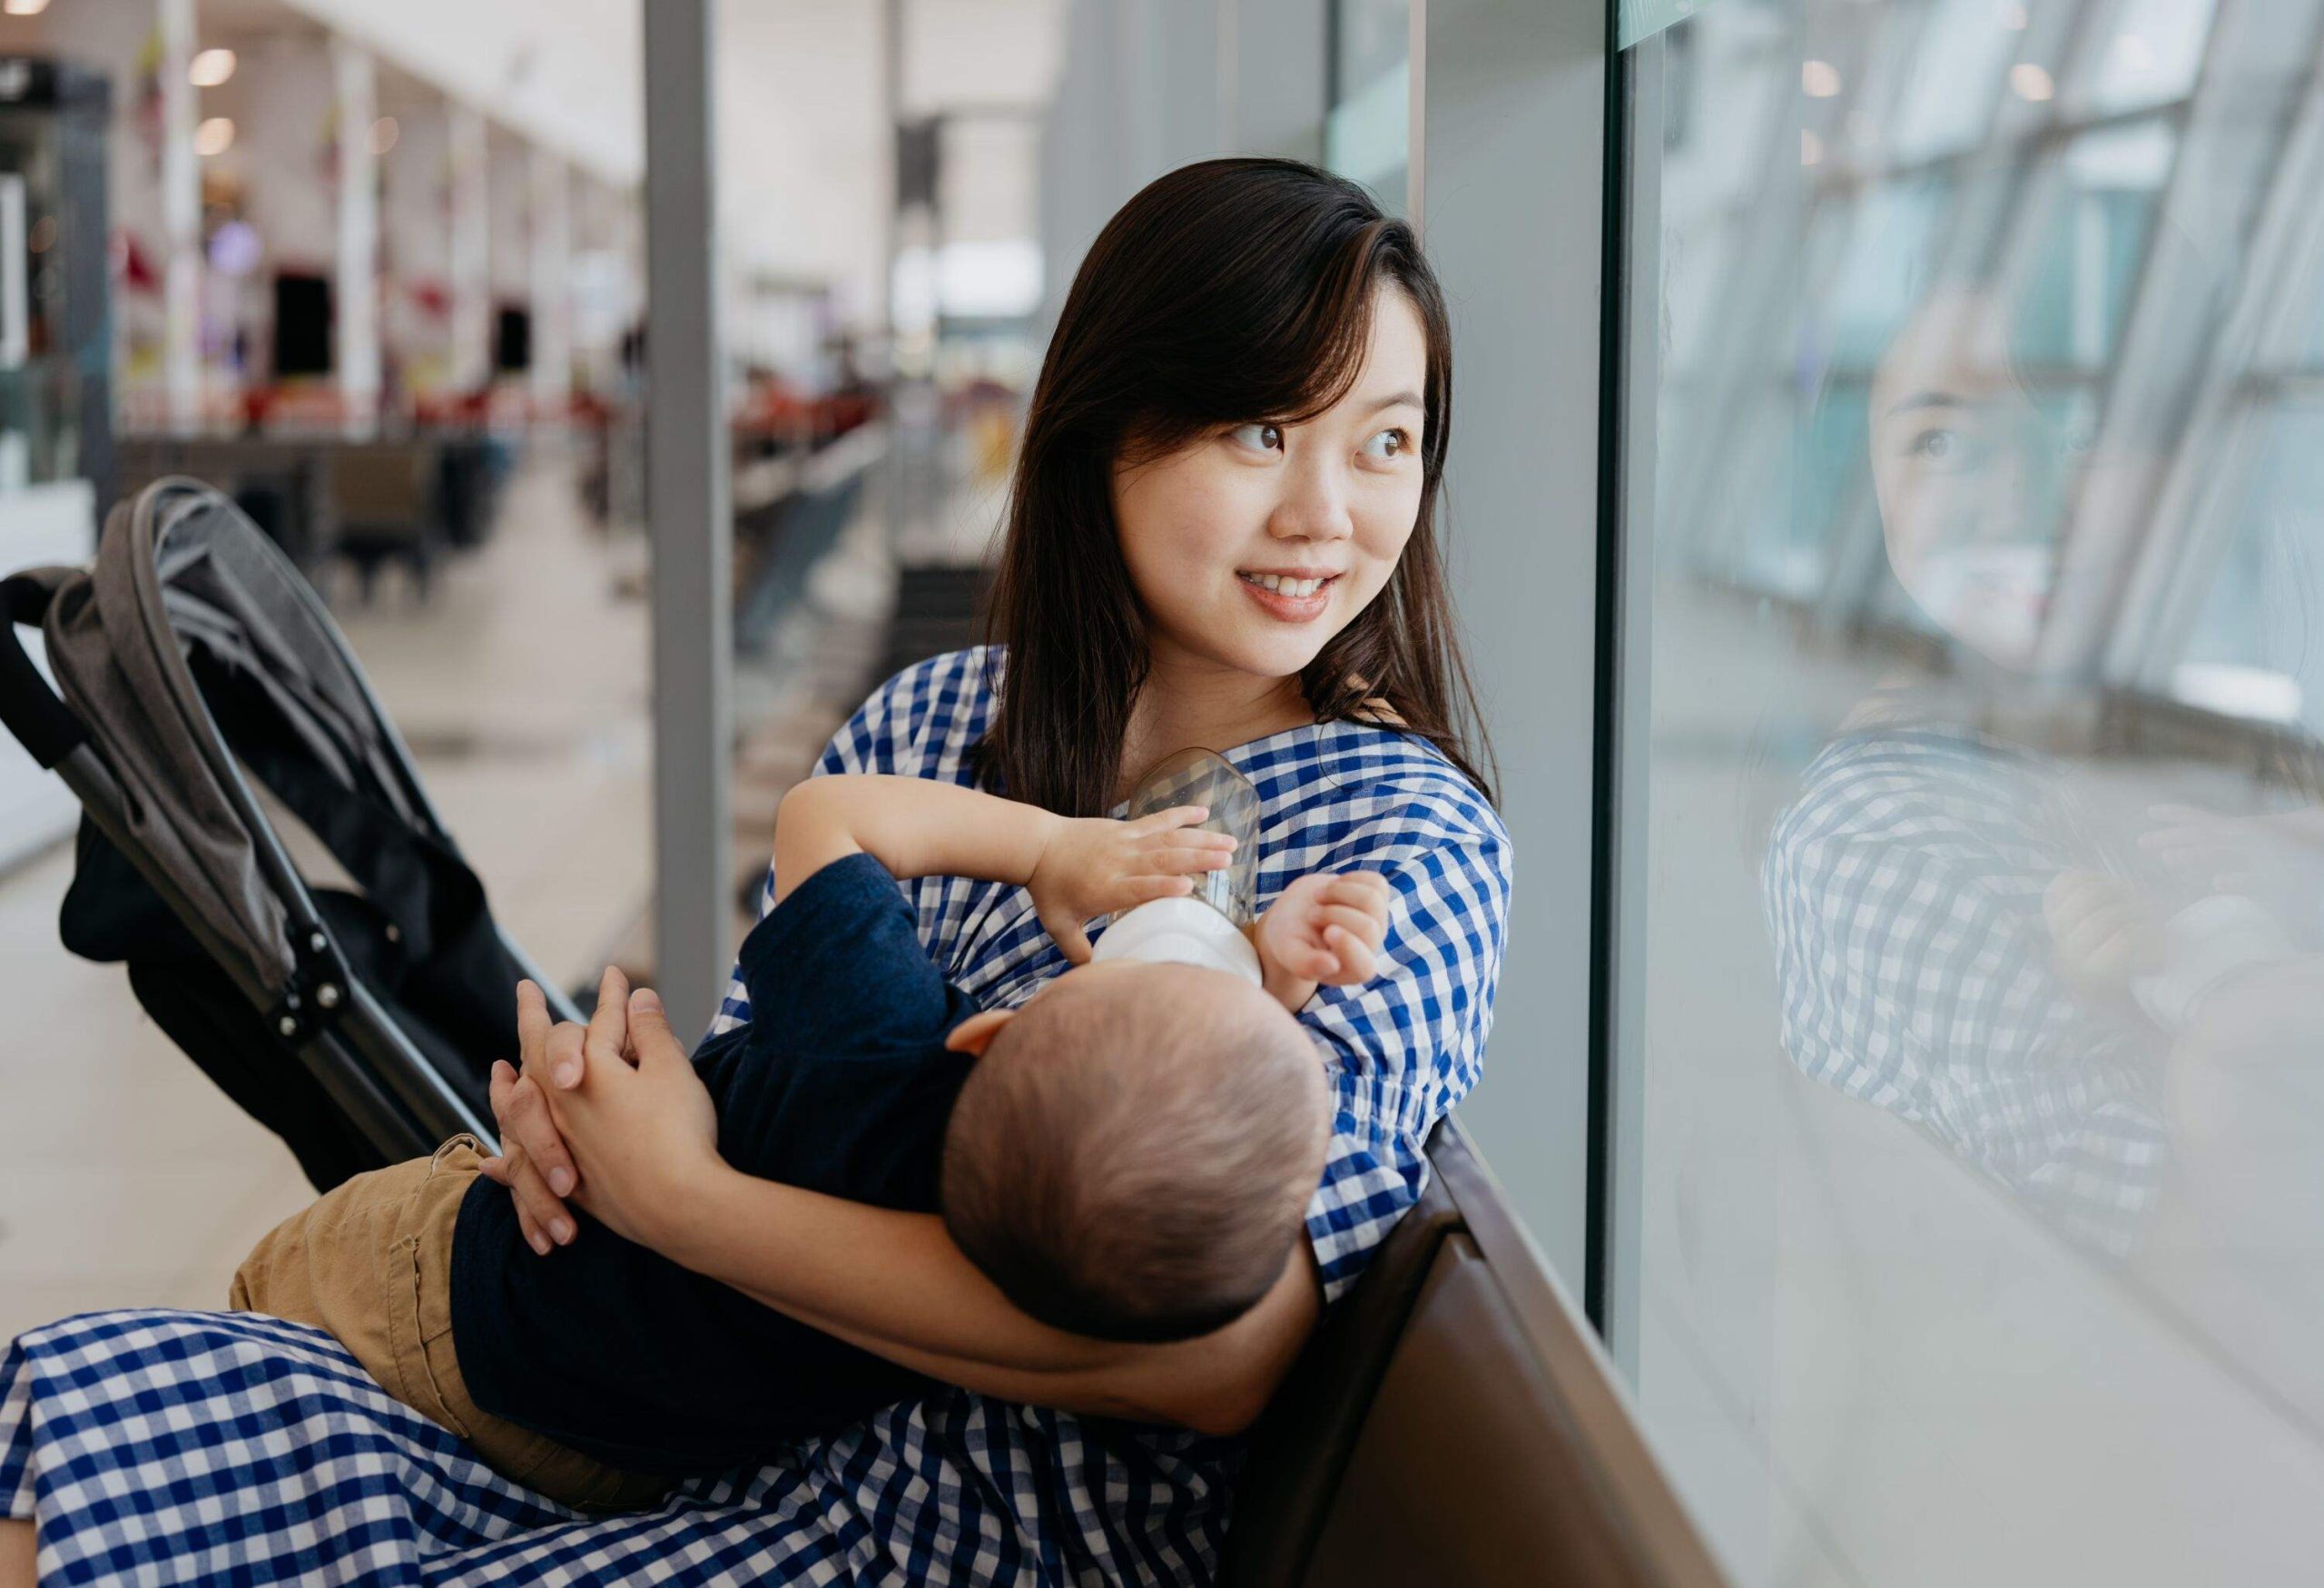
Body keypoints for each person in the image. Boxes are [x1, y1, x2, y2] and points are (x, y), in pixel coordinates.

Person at [1, 156, 1510, 1587]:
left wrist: (686, 1198)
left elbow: (1217, 1351)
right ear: (1104, 430)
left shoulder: (1404, 850)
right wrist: (601, 1126)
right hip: (666, 1419)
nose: (1329, 512)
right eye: (1262, 432)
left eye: (1385, 438)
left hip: (943, 1529)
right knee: (77, 1444)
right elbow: (757, 1073)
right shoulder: (935, 721)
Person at [224, 772, 1391, 1507]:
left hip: (450, 1285)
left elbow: (820, 817)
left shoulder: (877, 1038)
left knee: (256, 1334)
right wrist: (1270, 987)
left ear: (986, 1034)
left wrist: (1047, 851)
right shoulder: (1033, 1274)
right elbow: (1173, 1136)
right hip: (604, 1447)